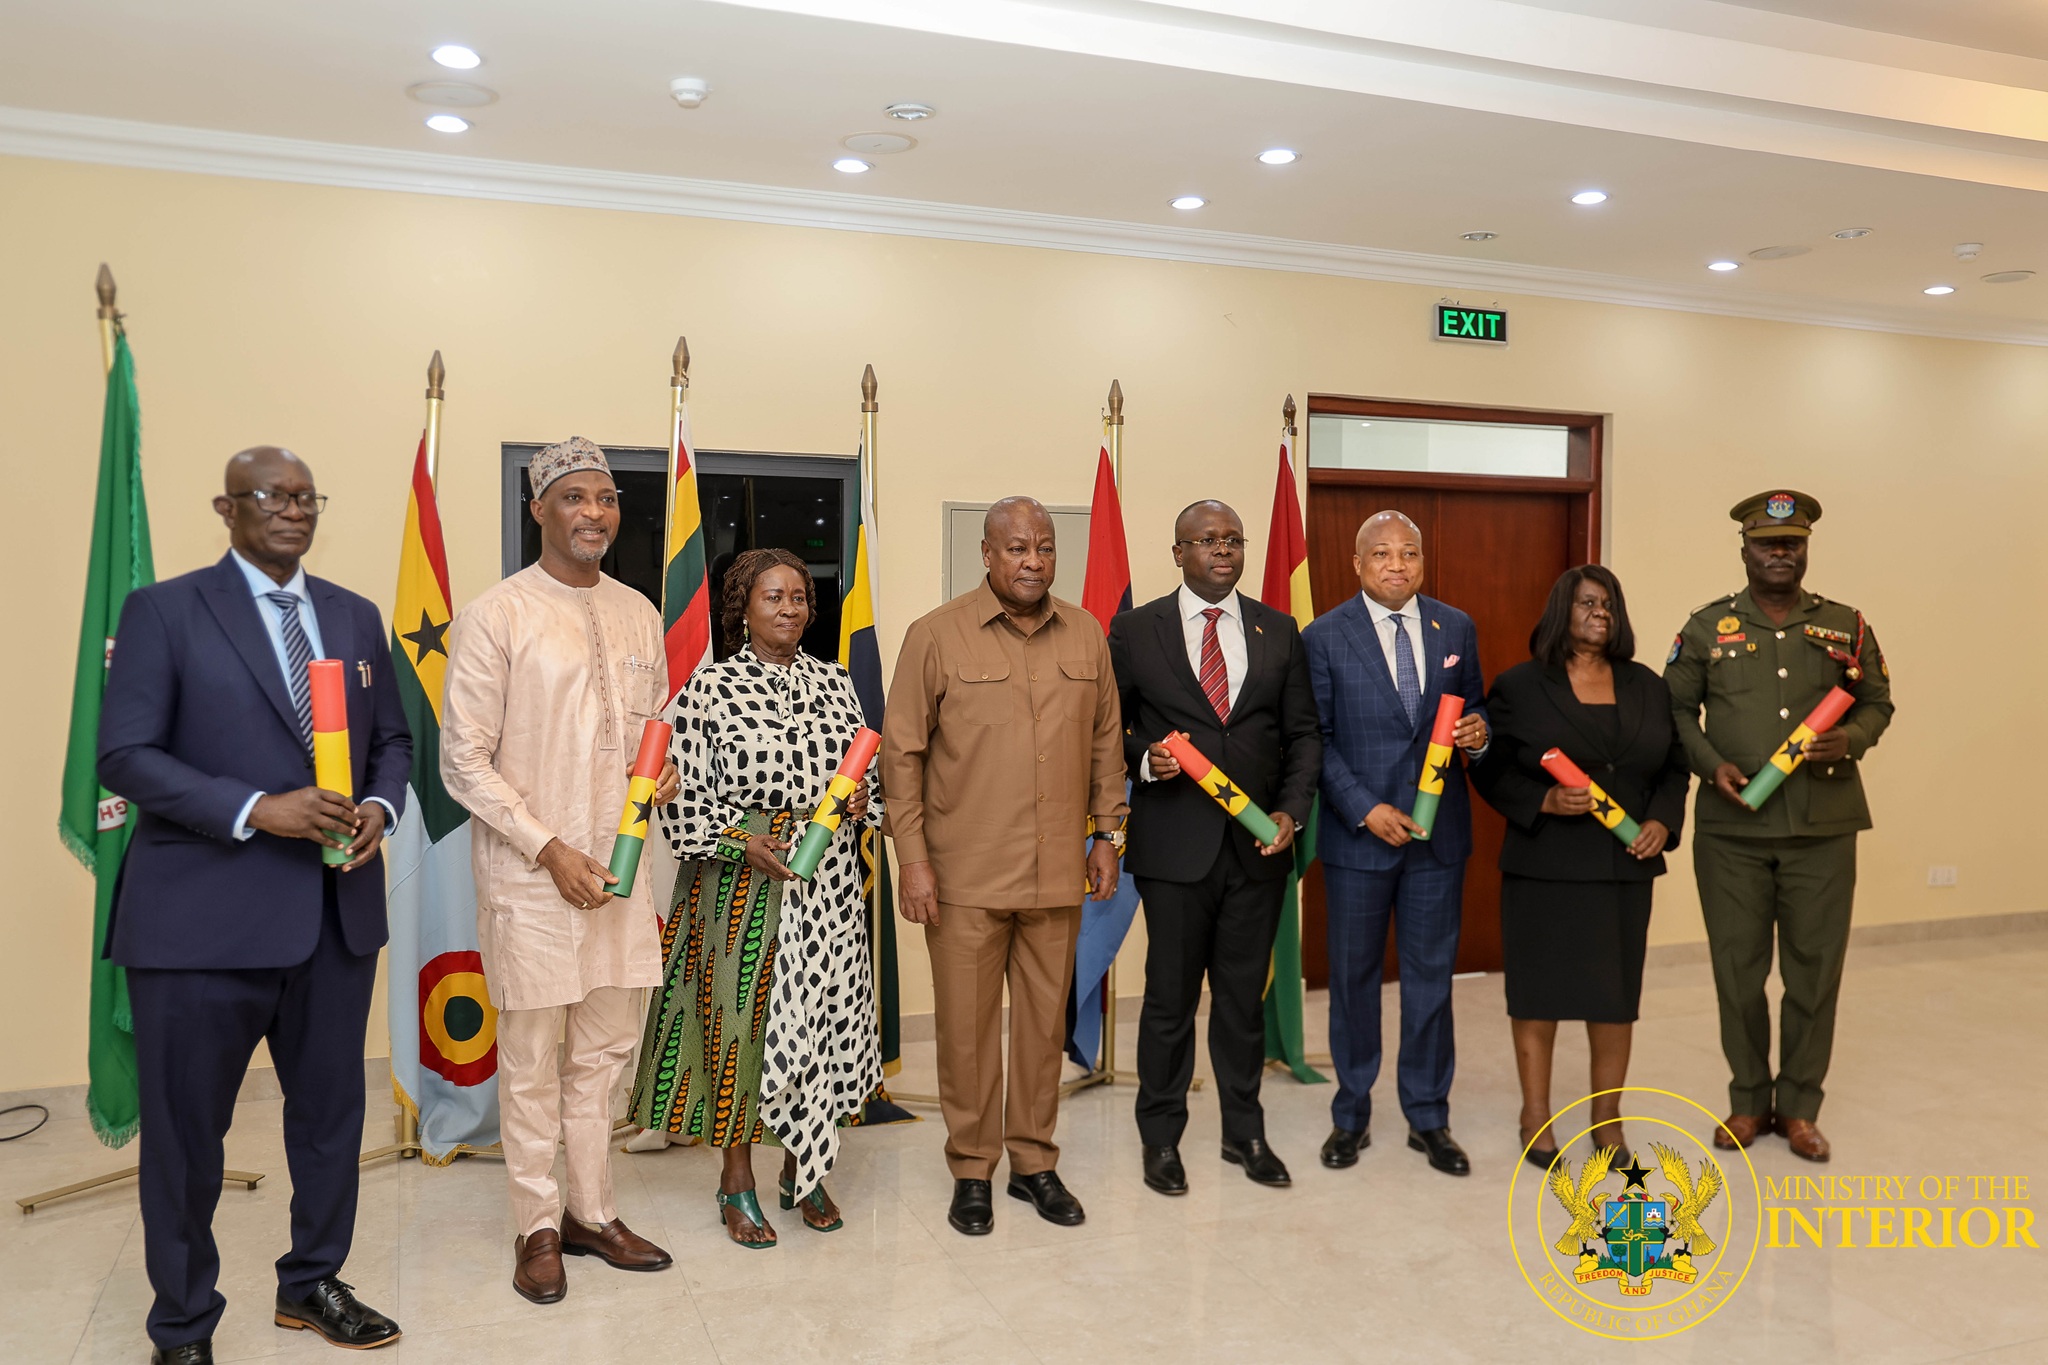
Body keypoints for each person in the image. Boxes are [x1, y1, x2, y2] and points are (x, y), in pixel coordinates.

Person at [98, 447, 409, 1363]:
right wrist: (253, 807)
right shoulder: (164, 610)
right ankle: (183, 1323)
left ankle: (312, 1282)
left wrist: (381, 809)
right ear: (226, 507)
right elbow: (125, 755)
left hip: (333, 916)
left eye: (307, 496)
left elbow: (391, 739)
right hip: (201, 923)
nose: (293, 509)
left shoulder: (353, 615)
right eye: (271, 495)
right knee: (188, 1135)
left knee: (328, 1120)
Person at [440, 437, 680, 1303]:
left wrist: (664, 765)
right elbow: (463, 761)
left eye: (606, 499)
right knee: (535, 1056)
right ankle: (537, 1225)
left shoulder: (639, 610)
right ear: (538, 509)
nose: (593, 513)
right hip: (534, 875)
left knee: (605, 1054)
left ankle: (593, 1211)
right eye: (573, 497)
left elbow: (646, 729)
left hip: (617, 872)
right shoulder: (496, 613)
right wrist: (548, 846)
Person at [881, 496, 1127, 1236]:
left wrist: (1107, 833)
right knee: (965, 1029)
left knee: (1042, 1027)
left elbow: (1106, 742)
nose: (1033, 561)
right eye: (1017, 548)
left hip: (1058, 873)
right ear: (986, 554)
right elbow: (902, 754)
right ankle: (971, 1167)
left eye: (1045, 548)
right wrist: (913, 859)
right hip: (962, 877)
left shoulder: (1085, 634)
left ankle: (1034, 1162)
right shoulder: (935, 635)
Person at [628, 548, 884, 1247]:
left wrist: (863, 799)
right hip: (740, 887)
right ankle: (735, 1176)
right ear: (743, 606)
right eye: (774, 597)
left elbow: (876, 783)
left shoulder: (837, 683)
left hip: (826, 886)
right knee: (738, 1030)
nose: (790, 609)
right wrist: (744, 841)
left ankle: (805, 1165)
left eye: (800, 596)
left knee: (822, 1027)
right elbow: (674, 803)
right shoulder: (708, 689)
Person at [1665, 491, 1892, 1163]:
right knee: (1738, 971)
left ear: (1805, 549)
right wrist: (1710, 765)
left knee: (1813, 973)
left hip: (1822, 827)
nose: (1780, 553)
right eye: (1768, 542)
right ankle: (1746, 1099)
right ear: (1745, 550)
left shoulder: (1845, 624)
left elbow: (1879, 703)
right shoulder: (1707, 628)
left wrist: (1848, 739)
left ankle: (1798, 1107)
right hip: (1733, 831)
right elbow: (1672, 712)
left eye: (1791, 542)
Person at [1106, 500, 1321, 1195]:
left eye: (1232, 539)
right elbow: (1110, 729)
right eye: (1206, 540)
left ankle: (1244, 1133)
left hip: (1258, 850)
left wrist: (1290, 811)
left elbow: (1304, 736)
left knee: (1238, 1001)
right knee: (1169, 1001)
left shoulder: (1280, 628)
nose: (1222, 550)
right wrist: (1148, 761)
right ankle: (1161, 1140)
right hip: (1174, 851)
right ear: (1177, 551)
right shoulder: (1137, 630)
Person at [1471, 566, 1690, 1168]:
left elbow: (1674, 766)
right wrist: (1541, 799)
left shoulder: (1648, 686)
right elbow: (1489, 768)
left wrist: (1663, 822)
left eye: (1610, 604)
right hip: (1545, 867)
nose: (1601, 613)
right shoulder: (1519, 685)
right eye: (1588, 603)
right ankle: (1535, 1115)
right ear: (1561, 611)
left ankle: (1607, 1118)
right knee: (1538, 995)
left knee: (1614, 998)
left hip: (1626, 866)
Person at [1302, 510, 1489, 1177]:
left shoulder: (1454, 625)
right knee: (1353, 982)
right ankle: (1350, 1114)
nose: (1397, 565)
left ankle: (1428, 1116)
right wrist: (1363, 807)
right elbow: (1314, 739)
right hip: (1360, 839)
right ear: (1357, 564)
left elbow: (1477, 707)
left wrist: (1479, 733)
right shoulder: (1323, 636)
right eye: (1381, 554)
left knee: (1430, 981)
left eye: (1409, 552)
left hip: (1438, 841)